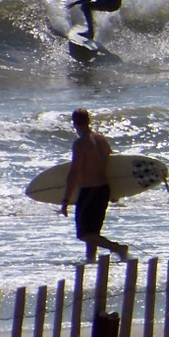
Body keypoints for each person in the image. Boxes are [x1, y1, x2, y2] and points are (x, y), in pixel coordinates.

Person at [60, 108, 129, 260]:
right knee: (93, 233)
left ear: (74, 123)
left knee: (84, 234)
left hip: (90, 190)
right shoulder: (101, 139)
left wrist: (65, 200)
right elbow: (112, 165)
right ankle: (90, 261)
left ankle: (117, 248)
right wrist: (116, 192)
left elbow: (74, 172)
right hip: (104, 189)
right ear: (89, 120)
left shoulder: (80, 143)